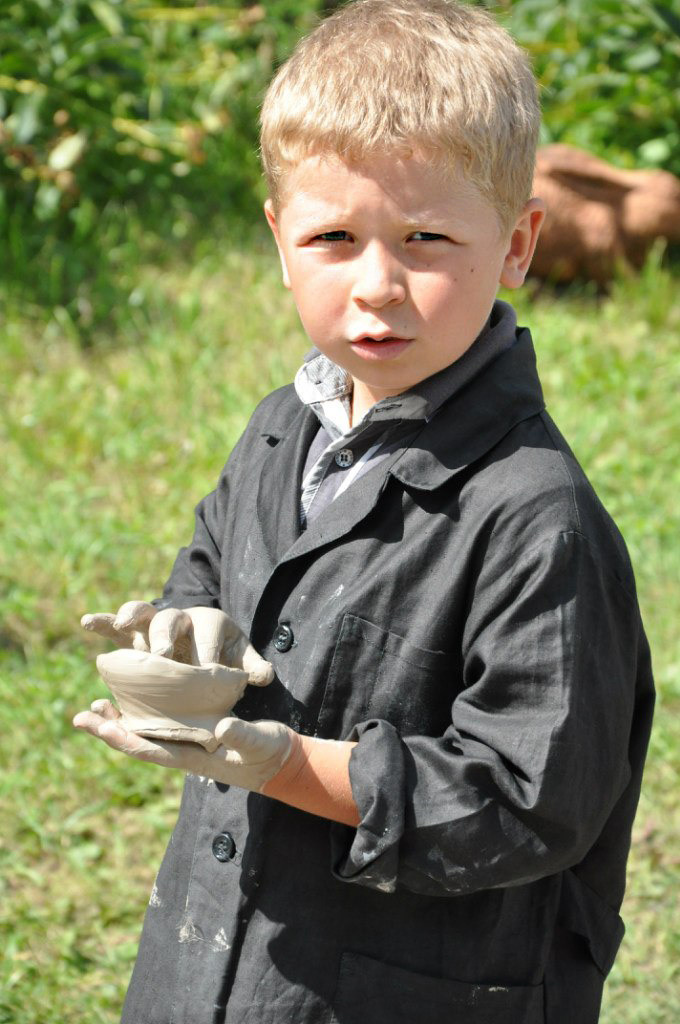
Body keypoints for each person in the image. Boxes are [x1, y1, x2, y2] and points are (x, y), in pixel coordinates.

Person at [73, 2, 655, 1022]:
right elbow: (211, 562)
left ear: (518, 243)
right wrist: (189, 630)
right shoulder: (279, 429)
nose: (377, 285)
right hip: (215, 963)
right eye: (333, 237)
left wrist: (286, 763)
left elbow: (530, 798)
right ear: (277, 241)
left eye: (425, 238)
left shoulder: (533, 518)